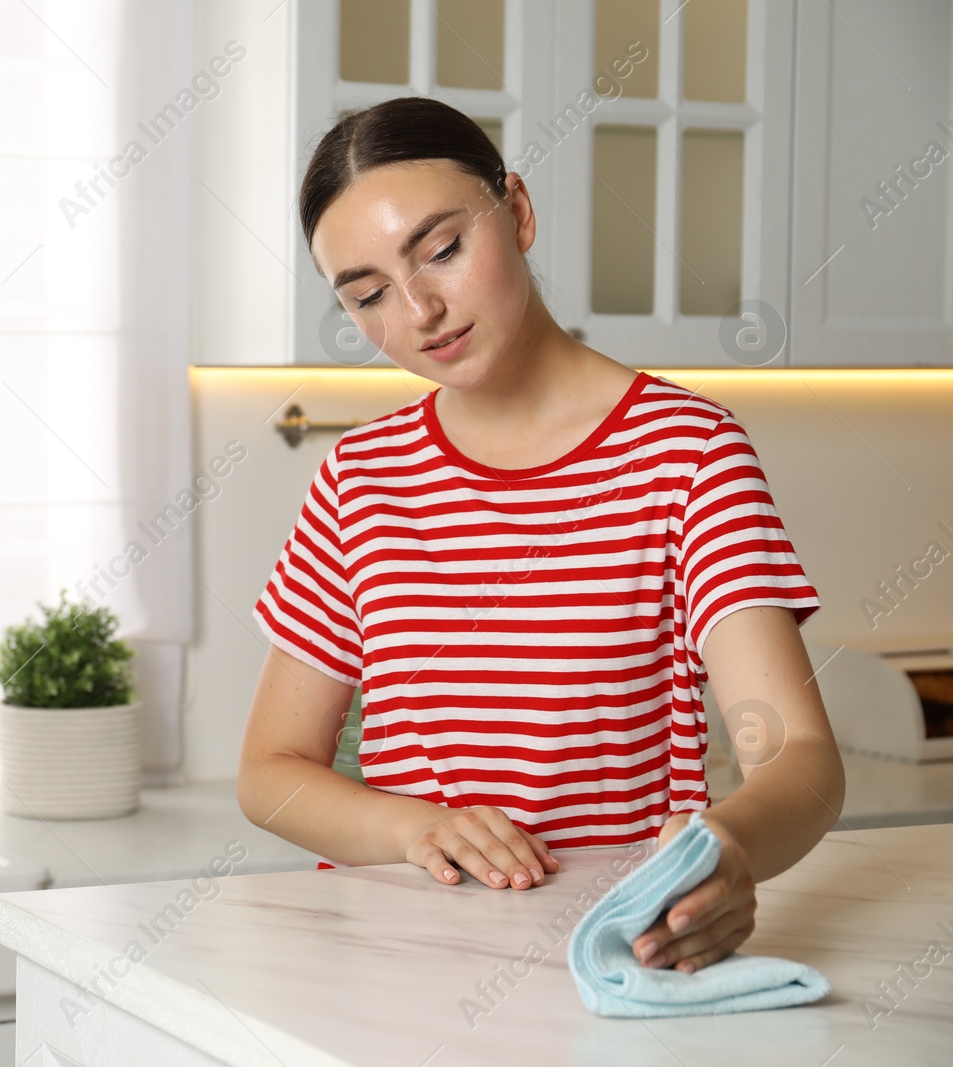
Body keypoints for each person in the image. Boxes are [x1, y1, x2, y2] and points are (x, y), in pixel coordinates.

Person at [236, 97, 845, 977]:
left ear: (516, 211)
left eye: (442, 250)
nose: (418, 310)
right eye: (367, 296)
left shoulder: (687, 452)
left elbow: (800, 753)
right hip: (387, 971)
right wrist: (412, 826)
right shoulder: (357, 479)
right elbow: (270, 769)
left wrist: (727, 848)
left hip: (604, 952)